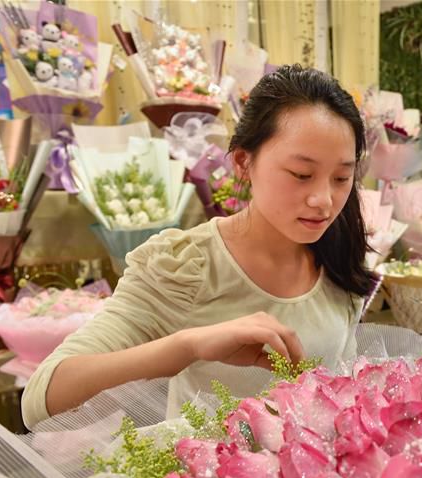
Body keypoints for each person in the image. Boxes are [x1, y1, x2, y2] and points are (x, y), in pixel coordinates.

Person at [21, 65, 375, 429]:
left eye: (341, 178)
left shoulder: (338, 254)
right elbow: (39, 402)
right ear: (242, 162)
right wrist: (186, 346)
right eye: (301, 175)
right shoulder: (185, 268)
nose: (323, 200)